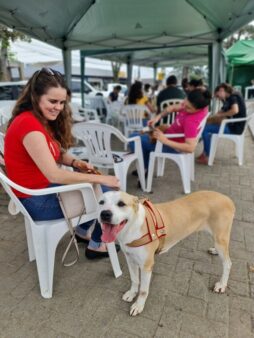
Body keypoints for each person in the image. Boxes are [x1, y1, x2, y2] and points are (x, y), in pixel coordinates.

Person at [4, 67, 120, 259]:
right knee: (107, 196)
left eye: (61, 102)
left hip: (41, 191)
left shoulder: (36, 119)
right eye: (53, 101)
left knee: (96, 186)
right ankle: (97, 244)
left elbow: (55, 153)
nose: (58, 107)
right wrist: (102, 179)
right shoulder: (29, 125)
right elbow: (54, 174)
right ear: (35, 96)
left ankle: (83, 232)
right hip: (36, 201)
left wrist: (75, 162)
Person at [129, 89, 211, 173]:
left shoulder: (191, 121)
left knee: (133, 139)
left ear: (197, 109)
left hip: (172, 146)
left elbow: (190, 148)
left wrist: (165, 140)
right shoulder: (199, 104)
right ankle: (145, 165)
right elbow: (172, 108)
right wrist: (157, 118)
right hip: (168, 135)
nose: (184, 107)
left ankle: (144, 169)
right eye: (185, 103)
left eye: (188, 108)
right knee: (140, 135)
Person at [197, 83, 246, 165]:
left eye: (218, 96)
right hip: (233, 125)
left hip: (234, 128)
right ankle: (206, 152)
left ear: (222, 90)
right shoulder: (228, 98)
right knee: (207, 125)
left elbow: (235, 110)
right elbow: (221, 112)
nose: (218, 98)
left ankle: (207, 156)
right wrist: (211, 118)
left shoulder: (233, 97)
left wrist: (219, 115)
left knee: (205, 129)